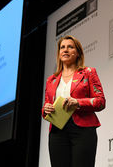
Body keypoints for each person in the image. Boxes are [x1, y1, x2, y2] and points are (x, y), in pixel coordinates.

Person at [42, 35, 105, 167]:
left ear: (77, 53)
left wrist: (78, 103)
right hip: (57, 133)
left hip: (83, 131)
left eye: (70, 47)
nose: (65, 50)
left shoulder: (88, 72)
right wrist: (45, 109)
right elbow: (45, 108)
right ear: (59, 53)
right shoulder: (51, 80)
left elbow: (100, 101)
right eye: (62, 47)